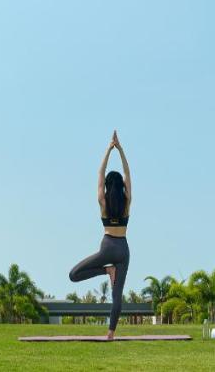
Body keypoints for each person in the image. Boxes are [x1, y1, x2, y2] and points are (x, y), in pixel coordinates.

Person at [68, 130, 132, 339]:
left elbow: (99, 174)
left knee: (73, 275)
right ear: (122, 187)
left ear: (106, 186)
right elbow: (128, 173)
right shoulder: (126, 204)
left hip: (107, 248)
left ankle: (107, 271)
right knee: (117, 297)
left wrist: (108, 149)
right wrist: (120, 149)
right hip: (123, 250)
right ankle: (111, 333)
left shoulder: (103, 204)